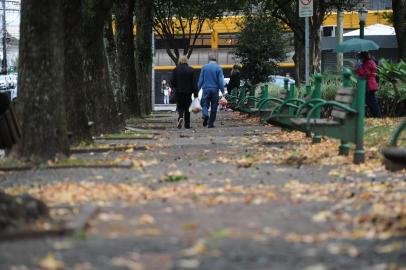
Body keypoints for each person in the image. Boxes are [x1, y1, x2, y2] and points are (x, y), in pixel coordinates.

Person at [170, 55, 198, 129]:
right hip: (188, 92)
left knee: (180, 106)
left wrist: (174, 87)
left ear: (179, 61)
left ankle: (180, 117)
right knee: (187, 108)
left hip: (179, 91)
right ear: (187, 61)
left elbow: (172, 81)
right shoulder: (191, 70)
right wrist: (196, 94)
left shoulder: (176, 69)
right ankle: (187, 125)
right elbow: (194, 83)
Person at [198, 54, 224, 128]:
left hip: (206, 89)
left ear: (209, 60)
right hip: (215, 90)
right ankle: (210, 124)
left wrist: (197, 89)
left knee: (204, 104)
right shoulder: (219, 68)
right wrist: (222, 91)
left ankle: (205, 114)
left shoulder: (204, 67)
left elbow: (201, 80)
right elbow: (220, 81)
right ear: (216, 60)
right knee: (214, 107)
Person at [355, 51, 381, 118]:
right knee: (370, 102)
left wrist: (359, 68)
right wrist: (359, 68)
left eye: (360, 57)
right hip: (367, 85)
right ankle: (376, 117)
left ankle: (378, 117)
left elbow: (365, 74)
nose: (359, 59)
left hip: (369, 85)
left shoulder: (369, 63)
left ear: (363, 57)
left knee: (372, 102)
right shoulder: (366, 63)